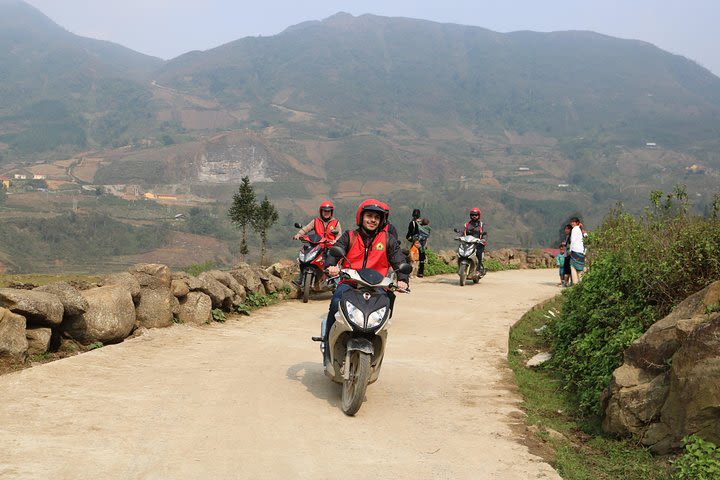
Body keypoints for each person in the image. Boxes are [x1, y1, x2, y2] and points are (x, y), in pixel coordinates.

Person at [322, 199, 409, 360]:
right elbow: (333, 255)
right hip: (350, 283)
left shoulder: (388, 240)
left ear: (382, 220)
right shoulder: (349, 236)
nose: (373, 220)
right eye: (369, 215)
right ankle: (328, 341)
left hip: (378, 286)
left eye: (377, 217)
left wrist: (403, 278)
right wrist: (331, 266)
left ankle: (377, 340)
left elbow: (399, 261)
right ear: (361, 217)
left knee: (389, 299)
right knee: (336, 300)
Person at [292, 200, 342, 285]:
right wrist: (299, 234)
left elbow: (339, 234)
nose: (326, 213)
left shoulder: (335, 223)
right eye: (324, 211)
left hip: (330, 247)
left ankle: (336, 284)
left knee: (331, 262)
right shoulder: (316, 221)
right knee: (305, 258)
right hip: (318, 245)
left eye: (328, 211)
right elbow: (306, 228)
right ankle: (300, 278)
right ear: (321, 211)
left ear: (331, 212)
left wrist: (335, 240)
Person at [463, 207, 487, 274]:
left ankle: (478, 270)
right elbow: (462, 232)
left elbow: (485, 233)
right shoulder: (467, 224)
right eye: (472, 215)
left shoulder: (481, 225)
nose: (474, 216)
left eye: (475, 215)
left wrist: (483, 239)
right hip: (468, 243)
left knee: (478, 254)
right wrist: (458, 236)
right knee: (461, 253)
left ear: (478, 215)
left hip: (478, 244)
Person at [569, 217, 587, 284]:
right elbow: (586, 238)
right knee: (580, 269)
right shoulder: (579, 230)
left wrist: (570, 250)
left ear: (577, 223)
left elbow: (572, 241)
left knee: (573, 267)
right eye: (572, 222)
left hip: (575, 251)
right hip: (581, 252)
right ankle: (581, 284)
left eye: (574, 222)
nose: (572, 223)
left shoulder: (574, 229)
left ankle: (575, 284)